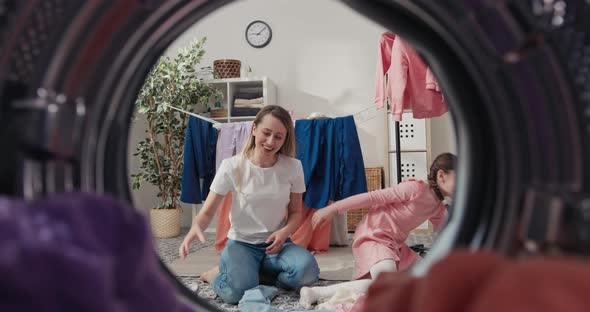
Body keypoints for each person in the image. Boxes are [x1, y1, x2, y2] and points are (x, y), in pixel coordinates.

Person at [178, 105, 320, 304]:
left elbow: (296, 213)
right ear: (254, 129)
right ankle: (215, 275)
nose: (271, 141)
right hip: (242, 244)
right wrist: (196, 226)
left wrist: (284, 233)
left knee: (307, 274)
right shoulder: (232, 166)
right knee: (235, 295)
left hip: (276, 244)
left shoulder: (293, 167)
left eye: (279, 137)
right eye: (266, 133)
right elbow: (208, 212)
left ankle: (256, 276)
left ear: (285, 138)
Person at [299, 153, 457, 309]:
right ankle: (316, 292)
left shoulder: (438, 207)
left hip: (395, 245)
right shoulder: (414, 188)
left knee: (427, 276)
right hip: (374, 236)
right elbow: (372, 197)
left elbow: (449, 236)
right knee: (386, 285)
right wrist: (334, 208)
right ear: (441, 176)